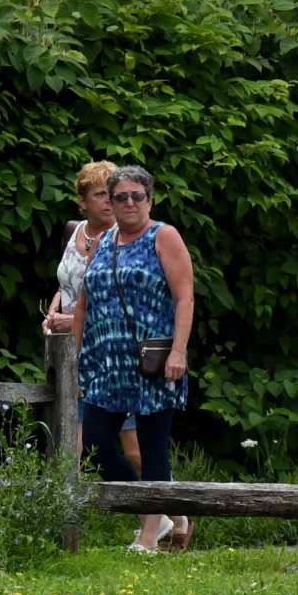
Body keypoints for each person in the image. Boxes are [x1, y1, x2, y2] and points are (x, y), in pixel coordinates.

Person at [67, 165, 196, 553]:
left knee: (153, 448)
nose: (128, 203)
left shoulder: (163, 237)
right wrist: (78, 354)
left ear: (149, 200)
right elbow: (84, 302)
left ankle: (148, 538)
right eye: (120, 196)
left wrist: (178, 351)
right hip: (105, 365)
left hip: (151, 362)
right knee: (95, 446)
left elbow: (184, 298)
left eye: (136, 196)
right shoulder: (103, 241)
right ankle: (154, 515)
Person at [42, 160, 153, 499]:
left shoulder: (124, 239)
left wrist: (73, 319)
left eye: (112, 194)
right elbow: (67, 282)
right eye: (101, 195)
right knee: (74, 444)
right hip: (71, 352)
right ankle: (68, 518)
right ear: (83, 201)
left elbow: (118, 298)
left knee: (133, 448)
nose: (109, 201)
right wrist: (53, 312)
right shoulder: (74, 232)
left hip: (111, 353)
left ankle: (172, 510)